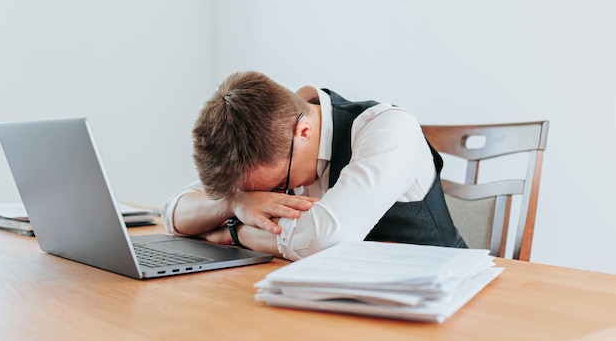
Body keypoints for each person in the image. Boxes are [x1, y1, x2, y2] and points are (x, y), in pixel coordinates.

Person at [161, 71, 466, 261]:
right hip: (337, 299)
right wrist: (236, 203)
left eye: (274, 188)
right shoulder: (268, 139)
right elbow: (174, 213)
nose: (263, 200)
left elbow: (324, 240)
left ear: (303, 132)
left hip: (437, 298)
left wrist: (232, 233)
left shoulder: (389, 128)